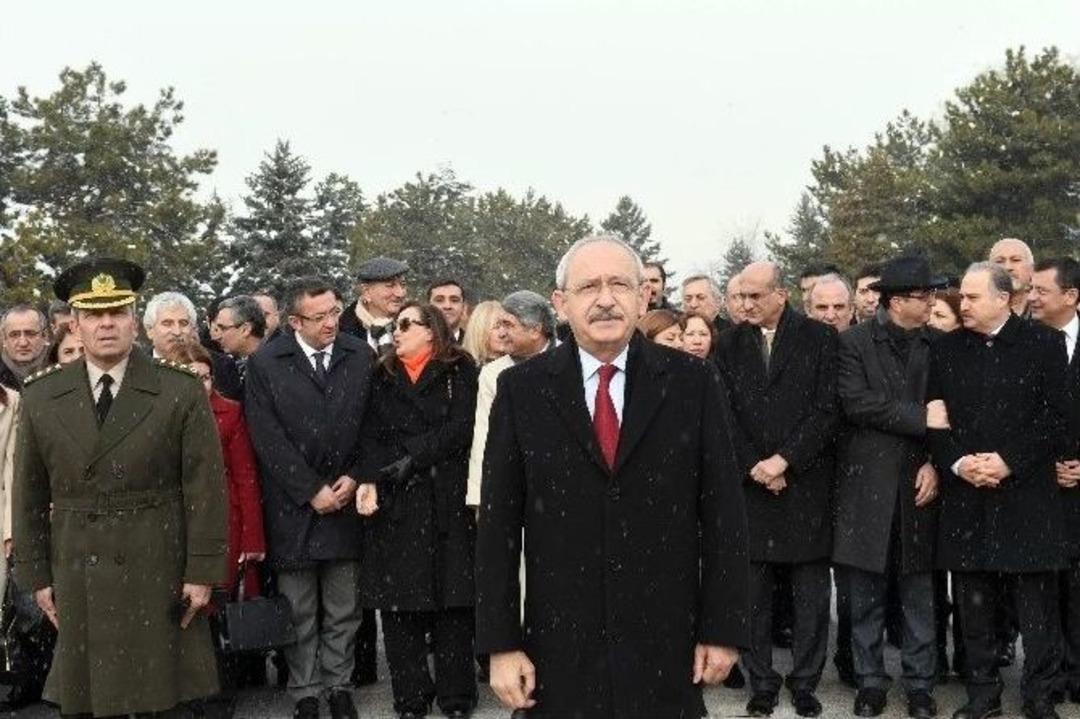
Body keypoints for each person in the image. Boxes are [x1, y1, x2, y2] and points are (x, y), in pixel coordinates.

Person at [476, 234, 749, 719]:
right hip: (558, 649)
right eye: (588, 287)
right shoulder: (521, 391)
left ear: (644, 296)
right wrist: (500, 644)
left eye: (620, 284)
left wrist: (723, 628)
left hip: (667, 644)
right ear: (561, 303)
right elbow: (498, 528)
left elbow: (725, 515)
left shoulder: (693, 382)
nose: (605, 299)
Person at [13, 257, 227, 717]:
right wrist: (36, 576)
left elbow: (205, 489)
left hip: (159, 562)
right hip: (78, 564)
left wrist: (203, 571)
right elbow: (28, 495)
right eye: (93, 314)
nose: (106, 324)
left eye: (117, 313)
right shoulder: (41, 395)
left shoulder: (179, 390)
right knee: (92, 701)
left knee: (161, 700)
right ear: (74, 323)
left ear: (134, 320)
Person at [926, 262, 1067, 719]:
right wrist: (962, 462)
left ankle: (1039, 694)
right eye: (961, 298)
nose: (960, 305)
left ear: (1003, 298)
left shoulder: (1044, 344)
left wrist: (1009, 461)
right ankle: (982, 693)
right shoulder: (945, 350)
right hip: (968, 495)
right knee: (973, 604)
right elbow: (935, 419)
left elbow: (1057, 418)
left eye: (970, 298)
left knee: (1036, 605)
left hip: (1027, 495)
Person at [243, 276, 374, 719]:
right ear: (294, 321)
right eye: (319, 317)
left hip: (345, 500)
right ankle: (305, 690)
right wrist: (309, 488)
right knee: (298, 608)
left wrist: (354, 476)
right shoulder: (266, 362)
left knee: (344, 607)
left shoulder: (360, 356)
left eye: (335, 312)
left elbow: (375, 424)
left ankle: (339, 685)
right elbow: (266, 436)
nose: (331, 324)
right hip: (292, 506)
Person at [715, 261, 838, 718]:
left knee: (810, 597)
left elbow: (827, 408)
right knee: (753, 595)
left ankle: (805, 682)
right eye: (741, 296)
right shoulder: (727, 345)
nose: (745, 304)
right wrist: (755, 465)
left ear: (781, 294)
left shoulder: (820, 339)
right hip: (751, 488)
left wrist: (785, 459)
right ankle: (761, 682)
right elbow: (722, 411)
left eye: (755, 296)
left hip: (804, 484)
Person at [833, 256, 946, 719]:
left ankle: (921, 685)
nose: (934, 303)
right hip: (866, 487)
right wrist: (919, 418)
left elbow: (952, 413)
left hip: (920, 483)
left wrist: (937, 463)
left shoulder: (940, 345)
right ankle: (870, 683)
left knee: (920, 594)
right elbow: (856, 403)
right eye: (926, 297)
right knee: (865, 596)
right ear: (899, 302)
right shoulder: (853, 344)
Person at [355, 302, 479, 719]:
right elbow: (368, 433)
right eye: (395, 325)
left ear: (432, 330)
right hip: (398, 502)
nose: (398, 331)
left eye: (407, 324)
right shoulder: (382, 373)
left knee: (453, 604)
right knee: (400, 605)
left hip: (446, 496)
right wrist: (373, 475)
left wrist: (415, 454)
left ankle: (457, 697)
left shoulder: (459, 368)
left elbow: (463, 427)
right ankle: (410, 698)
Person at [1028, 257, 1080, 702]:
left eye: (1041, 291)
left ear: (1071, 296)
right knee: (1043, 590)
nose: (1032, 298)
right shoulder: (1023, 342)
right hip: (1037, 487)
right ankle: (1045, 678)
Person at [466, 291, 555, 510]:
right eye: (499, 325)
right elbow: (484, 436)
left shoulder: (572, 361)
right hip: (512, 487)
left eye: (508, 325)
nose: (501, 333)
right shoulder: (492, 373)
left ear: (535, 330)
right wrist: (479, 499)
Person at [144, 291, 244, 401]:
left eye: (183, 323)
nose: (177, 332)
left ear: (192, 329)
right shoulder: (133, 367)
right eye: (167, 323)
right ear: (150, 330)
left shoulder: (222, 366)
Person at [340, 256, 408, 353]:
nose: (400, 293)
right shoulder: (341, 331)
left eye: (403, 285)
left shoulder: (415, 325)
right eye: (390, 286)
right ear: (366, 292)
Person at [213, 295, 268, 373]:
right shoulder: (249, 364)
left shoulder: (272, 365)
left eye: (223, 328)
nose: (217, 337)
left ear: (245, 329)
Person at [0, 305, 48, 391]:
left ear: (44, 336)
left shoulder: (64, 368)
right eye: (14, 335)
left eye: (30, 334)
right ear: (4, 339)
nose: (23, 343)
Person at [989, 237, 1035, 317]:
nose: (1007, 267)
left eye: (1016, 260)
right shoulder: (978, 314)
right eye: (999, 261)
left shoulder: (1046, 312)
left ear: (1031, 269)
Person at [461, 300, 509, 366]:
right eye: (496, 327)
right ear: (480, 330)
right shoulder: (465, 367)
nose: (503, 333)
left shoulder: (517, 366)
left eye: (507, 326)